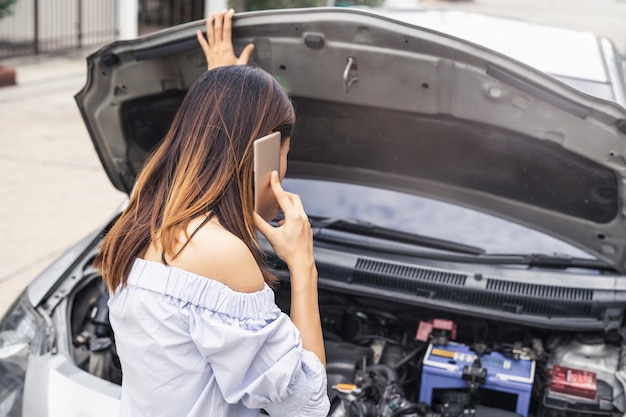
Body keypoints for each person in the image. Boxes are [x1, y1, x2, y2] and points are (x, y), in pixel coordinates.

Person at [95, 9, 330, 417]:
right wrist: (303, 265)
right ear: (266, 157)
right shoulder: (223, 254)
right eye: (285, 155)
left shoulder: (138, 212)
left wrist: (223, 92)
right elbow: (304, 406)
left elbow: (199, 149)